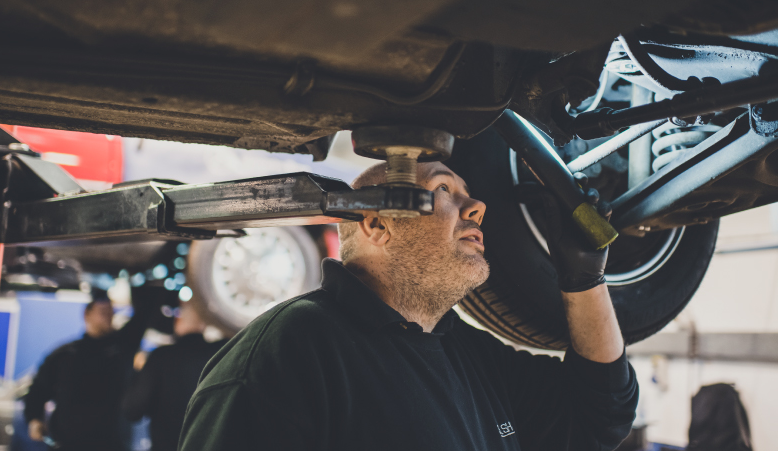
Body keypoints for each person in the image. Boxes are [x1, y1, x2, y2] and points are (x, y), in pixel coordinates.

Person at [179, 161, 639, 450]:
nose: (476, 205)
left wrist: (584, 281)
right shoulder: (291, 350)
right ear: (378, 225)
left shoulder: (469, 356)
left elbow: (599, 417)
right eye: (444, 190)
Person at [25, 289, 159, 451]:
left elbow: (142, 316)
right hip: (69, 444)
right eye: (102, 311)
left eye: (111, 312)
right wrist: (34, 419)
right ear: (86, 315)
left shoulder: (123, 347)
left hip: (112, 444)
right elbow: (38, 389)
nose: (108, 316)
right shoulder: (65, 355)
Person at [122, 303, 225, 451]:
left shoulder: (161, 357)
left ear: (177, 320)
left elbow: (132, 410)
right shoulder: (220, 355)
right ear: (204, 324)